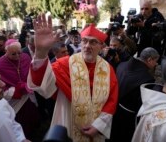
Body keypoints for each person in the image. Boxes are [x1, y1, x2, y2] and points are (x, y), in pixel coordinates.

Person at [27, 14, 118, 142]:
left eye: (93, 42)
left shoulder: (107, 69)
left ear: (101, 46)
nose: (87, 46)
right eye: (84, 41)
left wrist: (98, 126)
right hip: (68, 124)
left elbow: (111, 101)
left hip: (95, 129)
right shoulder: (65, 64)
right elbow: (43, 85)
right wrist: (41, 52)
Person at [108, 47, 159, 142]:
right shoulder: (147, 79)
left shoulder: (122, 64)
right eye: (155, 61)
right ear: (149, 59)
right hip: (127, 119)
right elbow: (142, 105)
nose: (156, 64)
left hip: (112, 110)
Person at [0, 39, 40, 140]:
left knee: (32, 120)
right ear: (6, 51)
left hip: (28, 96)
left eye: (19, 52)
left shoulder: (25, 57)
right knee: (19, 123)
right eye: (13, 54)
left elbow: (32, 73)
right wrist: (17, 89)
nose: (18, 56)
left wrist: (28, 84)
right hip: (13, 101)